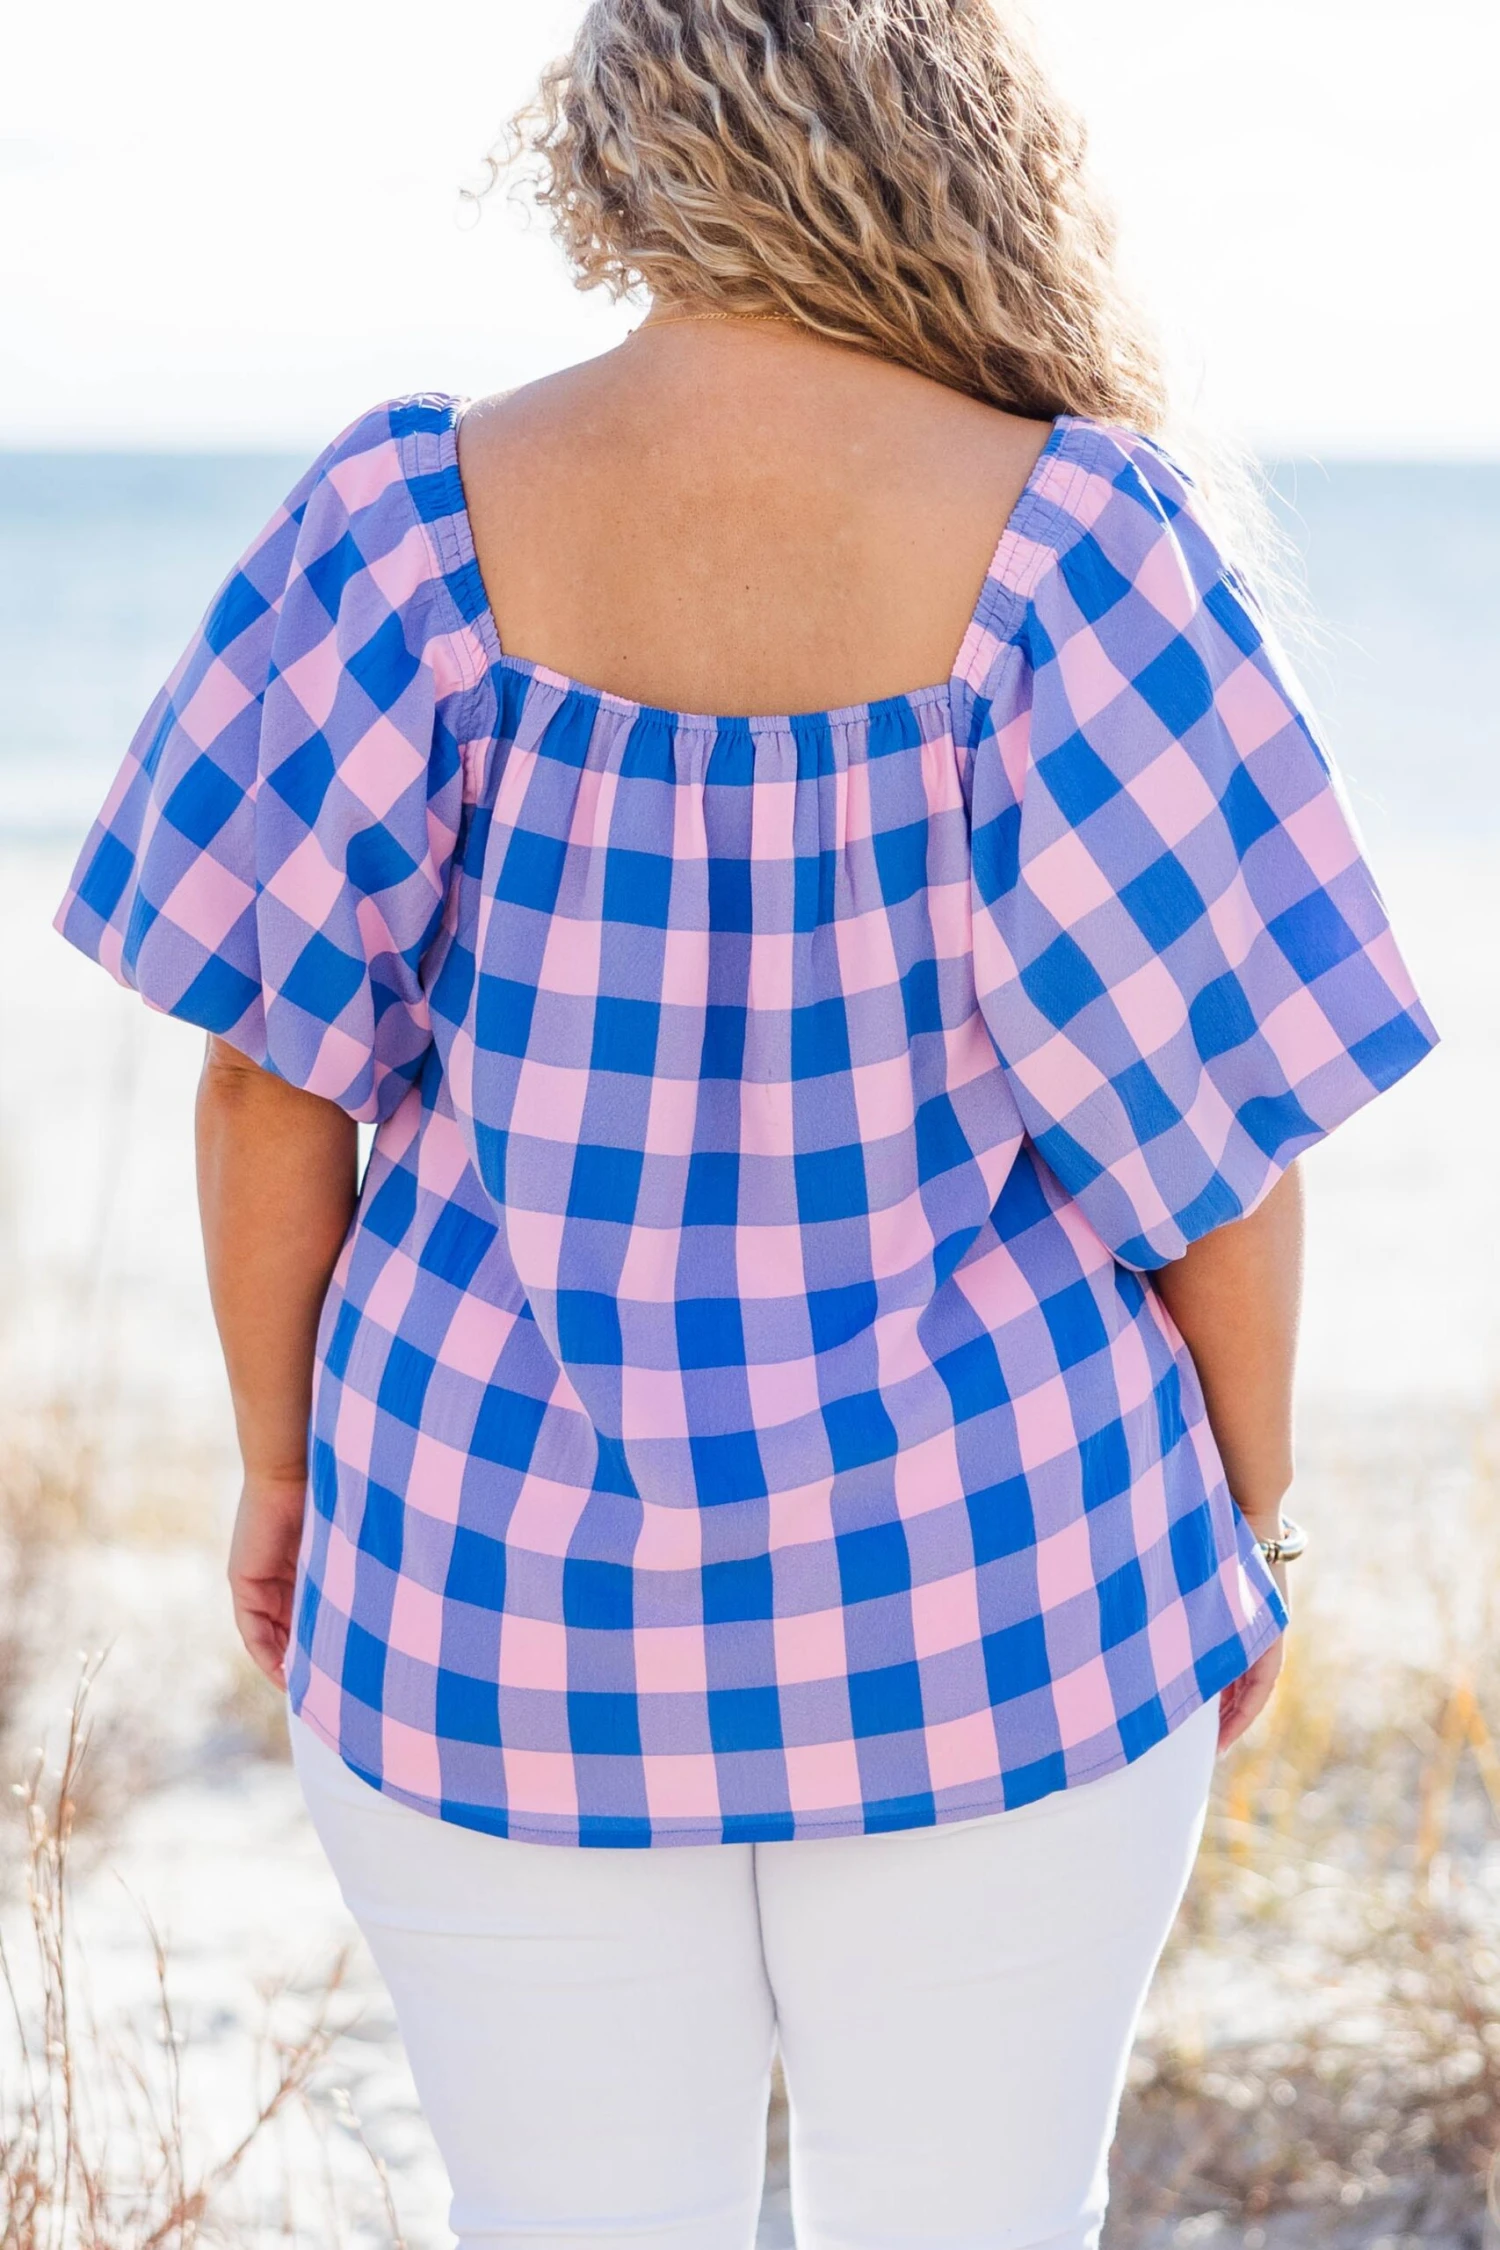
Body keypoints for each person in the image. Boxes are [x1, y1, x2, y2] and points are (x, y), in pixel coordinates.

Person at [56, 3, 1436, 2243]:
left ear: (618, 150)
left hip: (489, 1580)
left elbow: (260, 1073)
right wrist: (1248, 1516)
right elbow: (1217, 1141)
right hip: (1003, 1573)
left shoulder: (403, 522)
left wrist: (288, 1470)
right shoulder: (1080, 540)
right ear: (960, 147)